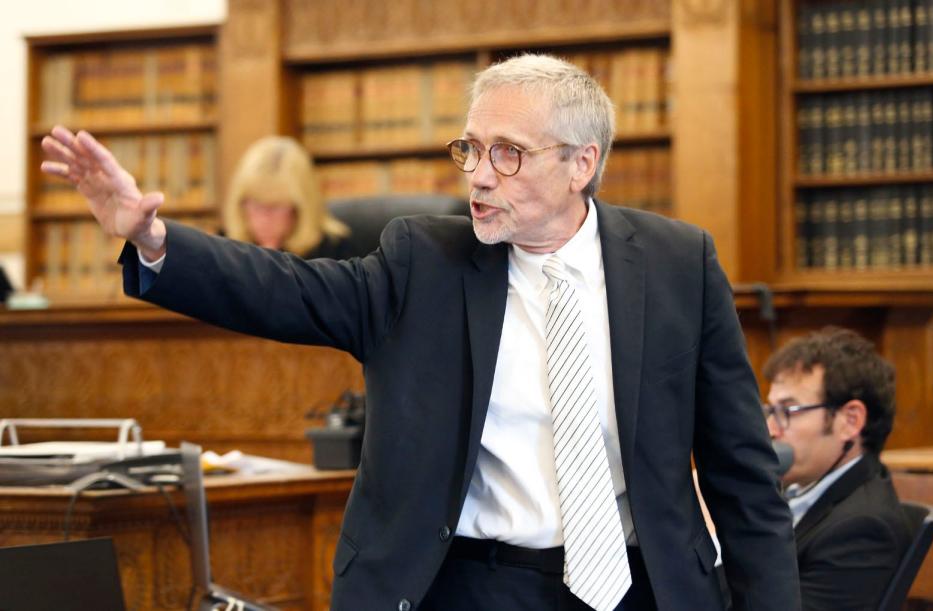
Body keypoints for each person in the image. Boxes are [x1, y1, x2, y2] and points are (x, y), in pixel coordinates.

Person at [41, 54, 799, 611]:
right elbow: (282, 289)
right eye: (470, 148)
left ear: (581, 165)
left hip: (644, 585)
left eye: (508, 154)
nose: (477, 175)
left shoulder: (676, 263)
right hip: (469, 584)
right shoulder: (423, 263)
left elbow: (740, 472)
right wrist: (154, 240)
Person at [762, 326, 912, 610]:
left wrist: (712, 535)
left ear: (850, 421)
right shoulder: (797, 489)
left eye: (788, 412)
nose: (770, 429)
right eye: (770, 411)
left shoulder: (864, 529)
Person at [222, 135, 355, 258]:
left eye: (275, 207)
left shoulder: (334, 250)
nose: (264, 219)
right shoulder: (224, 247)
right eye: (255, 205)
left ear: (302, 207)